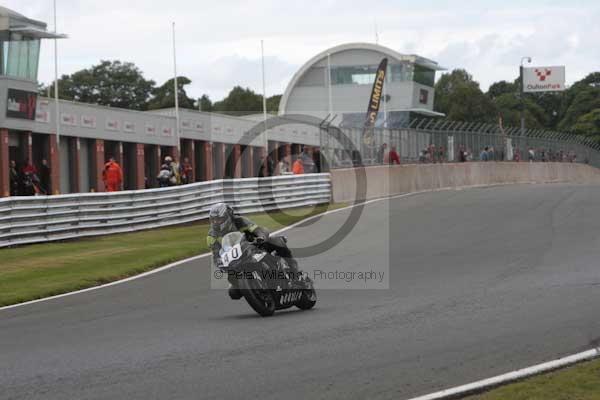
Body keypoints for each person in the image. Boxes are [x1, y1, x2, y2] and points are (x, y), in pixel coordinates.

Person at [207, 203, 300, 299]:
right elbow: (216, 254)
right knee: (233, 293)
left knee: (278, 242)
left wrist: (261, 237)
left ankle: (294, 270)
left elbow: (257, 229)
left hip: (254, 246)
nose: (216, 222)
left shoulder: (240, 221)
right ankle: (258, 293)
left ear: (228, 217)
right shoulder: (211, 235)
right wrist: (219, 262)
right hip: (235, 260)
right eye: (213, 220)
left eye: (219, 219)